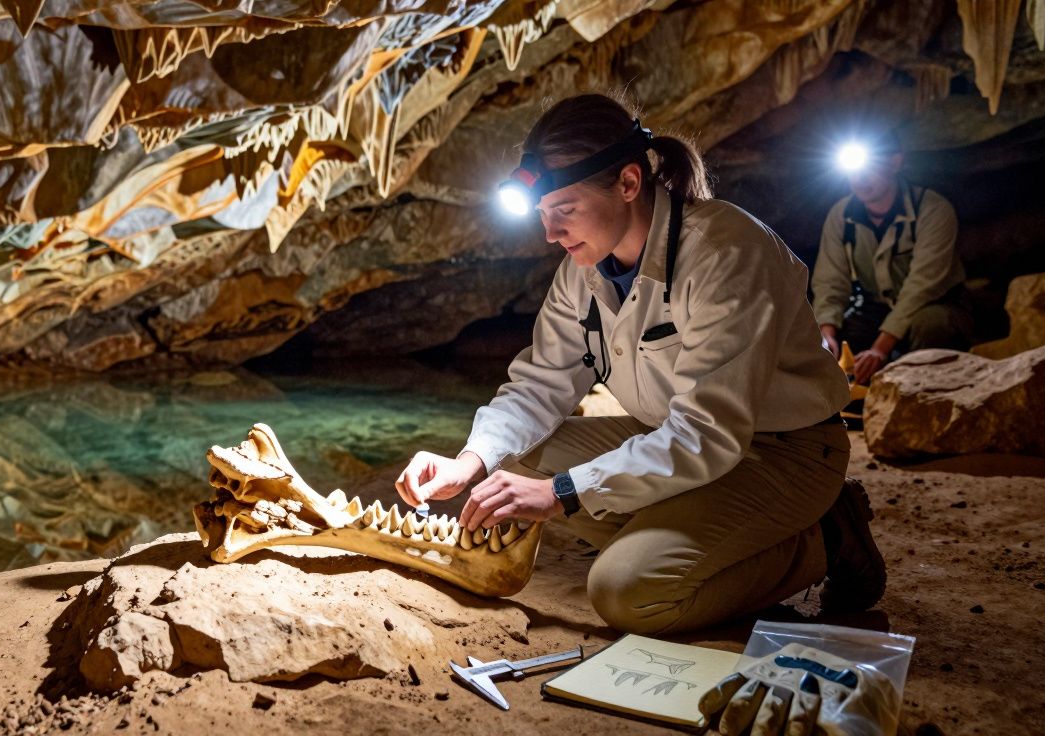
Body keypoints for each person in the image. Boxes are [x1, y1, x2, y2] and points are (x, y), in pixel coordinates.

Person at [394, 94, 886, 636]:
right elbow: (539, 385)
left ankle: (827, 539)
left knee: (628, 592)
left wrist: (564, 493)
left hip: (783, 451)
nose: (549, 233)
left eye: (564, 210)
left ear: (629, 184)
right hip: (676, 437)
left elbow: (708, 433)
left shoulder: (725, 255)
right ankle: (689, 534)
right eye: (541, 215)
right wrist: (469, 462)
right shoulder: (582, 270)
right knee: (515, 460)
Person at [813, 132, 974, 385]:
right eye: (854, 170)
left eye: (870, 169)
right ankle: (856, 404)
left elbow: (923, 286)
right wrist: (826, 334)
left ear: (895, 163)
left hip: (933, 306)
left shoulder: (932, 209)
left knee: (931, 325)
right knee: (840, 344)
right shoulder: (841, 216)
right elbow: (830, 281)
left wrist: (881, 347)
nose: (861, 179)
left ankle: (925, 395)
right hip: (876, 308)